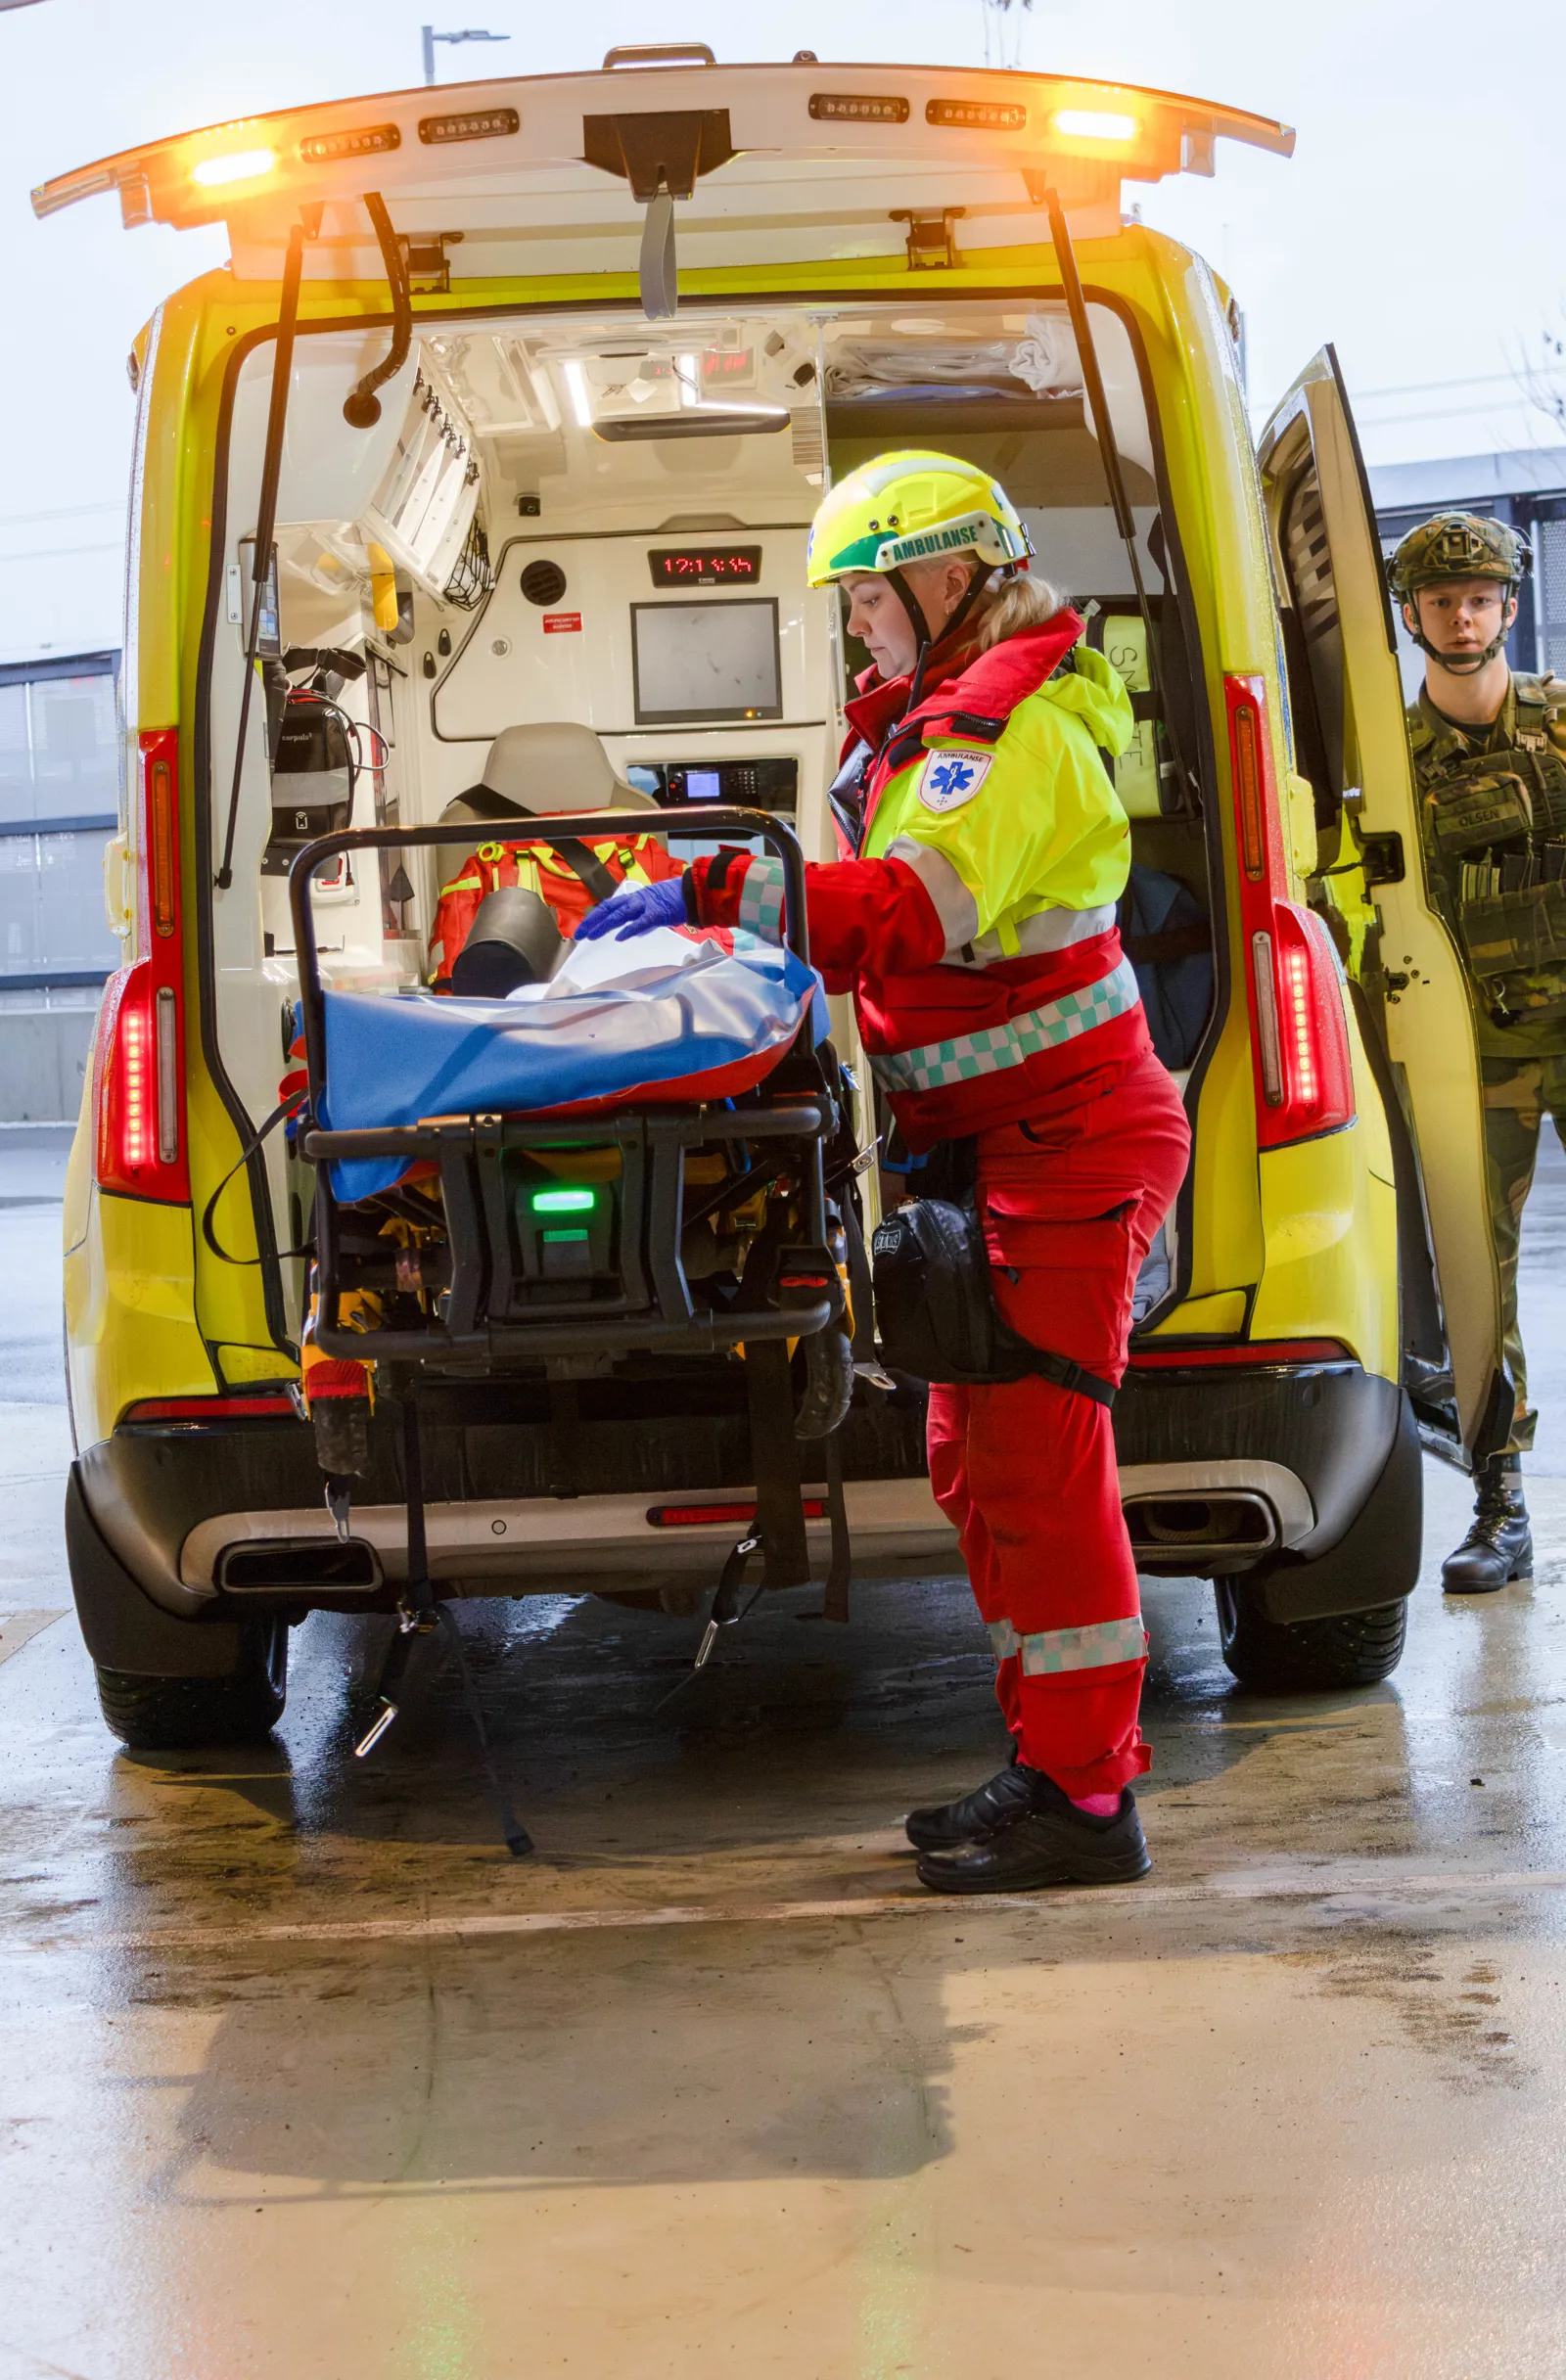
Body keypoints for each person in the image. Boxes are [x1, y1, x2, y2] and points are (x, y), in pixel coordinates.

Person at [578, 451, 1190, 1894]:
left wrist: (710, 887)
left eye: (865, 598)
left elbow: (900, 915)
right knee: (977, 1468)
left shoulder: (1006, 736)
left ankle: (1088, 1801)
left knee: (1041, 1472)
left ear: (946, 579)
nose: (855, 627)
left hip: (1068, 1142)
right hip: (993, 1150)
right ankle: (1048, 1762)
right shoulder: (939, 727)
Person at [1389, 513, 1566, 1593]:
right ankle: (1500, 1504)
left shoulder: (1561, 722)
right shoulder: (1389, 761)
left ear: (1508, 604)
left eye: (1480, 597)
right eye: (1442, 600)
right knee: (1476, 1285)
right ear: (1411, 615)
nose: (1463, 616)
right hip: (1475, 1052)